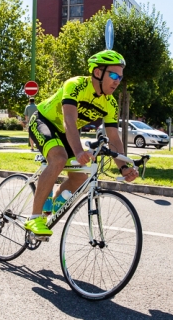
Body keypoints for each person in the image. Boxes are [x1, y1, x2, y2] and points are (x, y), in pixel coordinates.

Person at [25, 50, 139, 236]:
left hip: (64, 133)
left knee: (80, 178)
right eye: (113, 75)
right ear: (97, 73)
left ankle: (51, 203)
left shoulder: (109, 103)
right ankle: (35, 218)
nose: (117, 80)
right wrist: (78, 151)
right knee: (59, 158)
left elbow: (114, 137)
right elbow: (69, 118)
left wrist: (124, 167)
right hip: (44, 121)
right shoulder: (76, 85)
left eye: (120, 76)